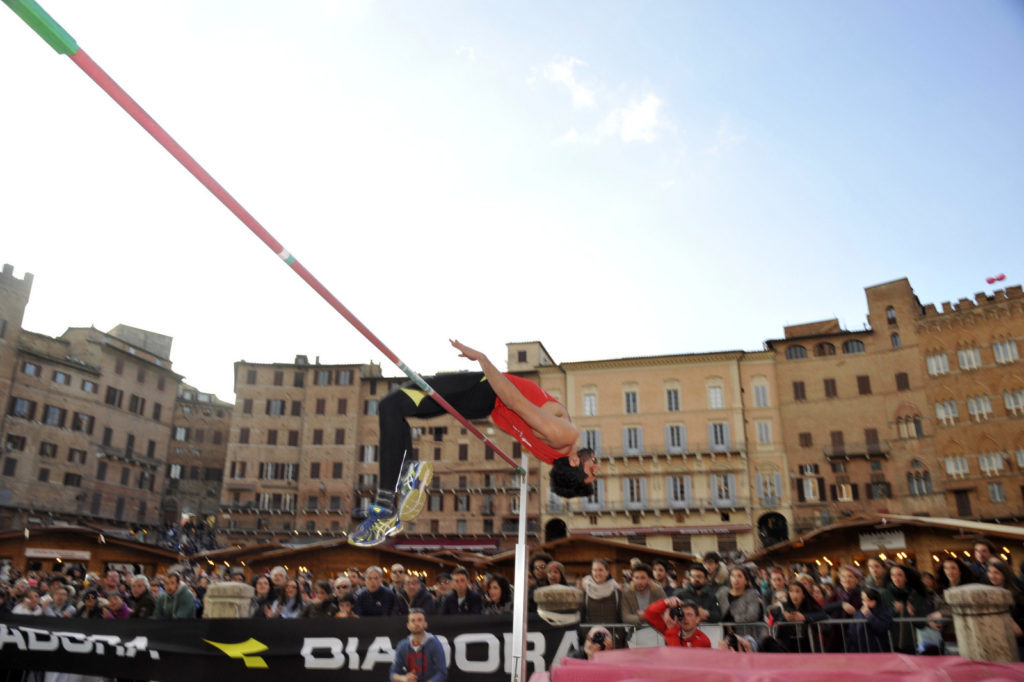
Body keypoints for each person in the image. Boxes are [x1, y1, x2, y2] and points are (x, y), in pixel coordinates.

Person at [350, 340, 596, 546]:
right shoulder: (552, 456)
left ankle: (387, 505)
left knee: (390, 405)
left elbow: (515, 402)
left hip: (484, 389)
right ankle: (407, 477)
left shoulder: (563, 436)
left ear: (574, 462)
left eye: (592, 470)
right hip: (482, 401)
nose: (596, 464)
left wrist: (483, 359)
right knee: (394, 409)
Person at [767, 582, 827, 653]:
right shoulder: (784, 607)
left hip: (808, 646)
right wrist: (784, 618)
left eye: (797, 591)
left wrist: (804, 617)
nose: (794, 594)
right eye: (791, 591)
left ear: (803, 594)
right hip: (788, 647)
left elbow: (823, 614)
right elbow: (775, 626)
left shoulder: (810, 606)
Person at [390, 608, 447, 682]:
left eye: (419, 620)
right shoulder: (402, 645)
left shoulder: (435, 644)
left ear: (425, 624)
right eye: (413, 621)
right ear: (408, 626)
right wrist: (403, 678)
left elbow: (442, 673)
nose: (416, 623)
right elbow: (392, 673)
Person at [620, 563, 666, 647]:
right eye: (636, 578)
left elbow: (665, 613)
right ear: (632, 579)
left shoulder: (658, 591)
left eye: (643, 578)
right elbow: (625, 617)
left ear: (649, 579)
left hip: (657, 635)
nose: (639, 581)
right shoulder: (627, 593)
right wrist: (644, 617)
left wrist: (646, 615)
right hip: (635, 635)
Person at [716, 567, 764, 640]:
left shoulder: (752, 594)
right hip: (722, 635)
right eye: (733, 576)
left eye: (739, 576)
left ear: (746, 581)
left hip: (745, 636)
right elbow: (714, 608)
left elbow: (752, 615)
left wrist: (733, 620)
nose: (735, 579)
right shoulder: (722, 592)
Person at [848, 587, 892, 653]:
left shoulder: (882, 611)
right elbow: (852, 633)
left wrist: (869, 616)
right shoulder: (858, 613)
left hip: (877, 650)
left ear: (876, 600)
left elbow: (883, 627)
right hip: (860, 649)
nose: (866, 603)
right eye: (863, 600)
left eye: (869, 600)